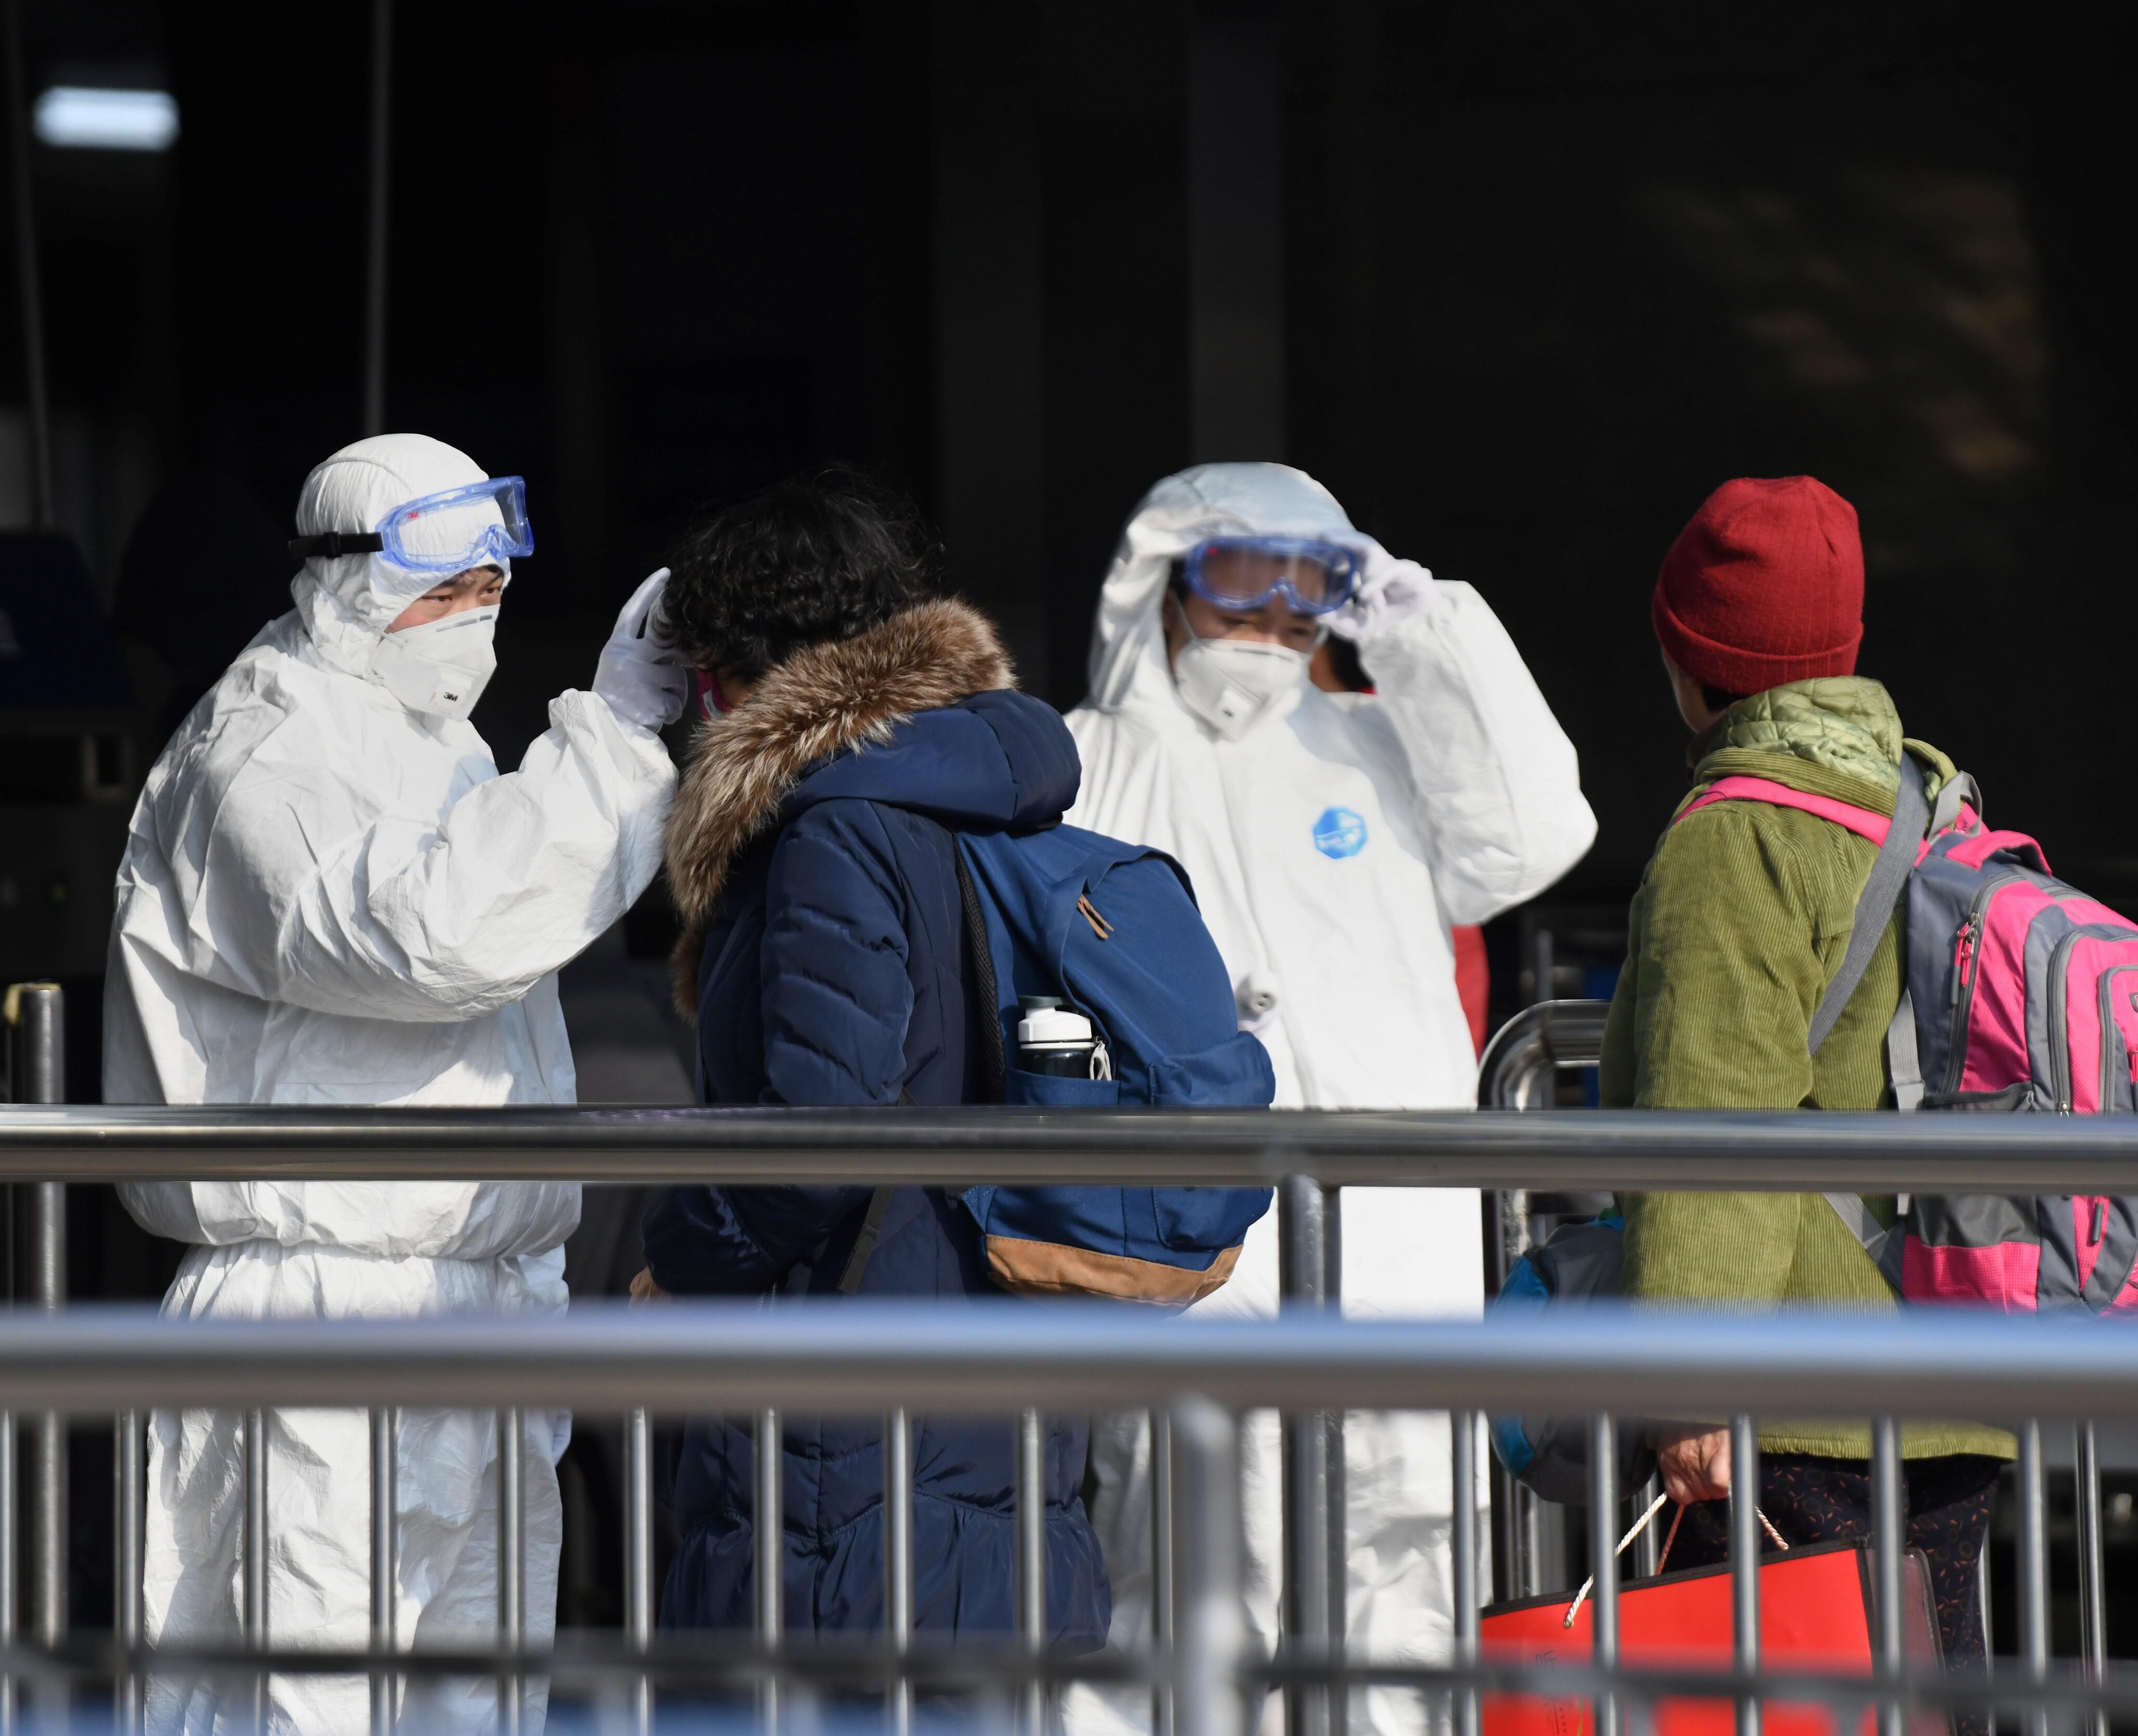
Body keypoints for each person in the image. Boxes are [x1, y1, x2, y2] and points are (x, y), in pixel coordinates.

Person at [106, 432, 684, 1734]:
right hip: (325, 1312)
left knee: (468, 1704)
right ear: (340, 580)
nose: (473, 619)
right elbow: (428, 936)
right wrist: (612, 738)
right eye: (444, 590)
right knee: (310, 1698)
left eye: (490, 590)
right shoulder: (266, 753)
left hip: (467, 1298)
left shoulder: (431, 743)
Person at [1063, 463, 1596, 1736]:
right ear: (1165, 578)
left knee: (1405, 1615)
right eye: (1242, 577)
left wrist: (1418, 625)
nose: (1270, 618)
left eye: (1311, 587)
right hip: (1190, 1282)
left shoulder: (1378, 746)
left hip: (1397, 1269)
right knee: (1188, 1613)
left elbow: (1531, 836)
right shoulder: (1077, 767)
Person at [634, 473, 1110, 1651]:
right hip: (990, 1357)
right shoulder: (977, 793)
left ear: (735, 673)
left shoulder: (834, 827)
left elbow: (821, 1127)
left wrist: (679, 1257)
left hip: (851, 1404)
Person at [1601, 474, 2012, 1682]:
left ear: (1686, 654)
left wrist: (1690, 1381)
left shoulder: (1736, 836)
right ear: (1847, 647)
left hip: (1789, 1398)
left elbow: (1714, 1124)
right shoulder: (1921, 799)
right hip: (1939, 1367)